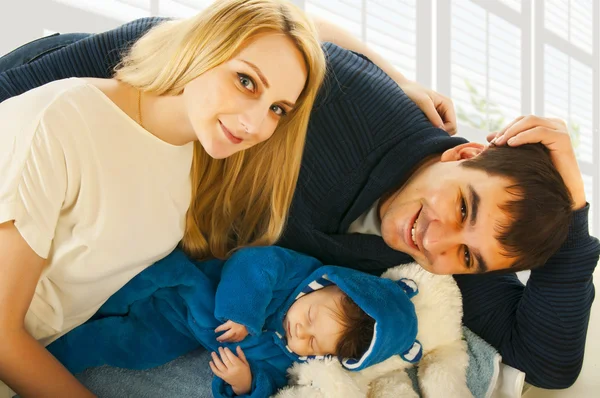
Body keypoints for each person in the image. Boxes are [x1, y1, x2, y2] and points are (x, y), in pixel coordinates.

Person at [0, 13, 597, 394]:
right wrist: (381, 71)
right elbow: (189, 49)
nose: (435, 241)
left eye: (466, 258)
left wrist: (573, 205)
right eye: (463, 208)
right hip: (60, 83)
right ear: (461, 156)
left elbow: (546, 361)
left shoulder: (440, 256)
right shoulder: (353, 105)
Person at [0, 1, 326, 396]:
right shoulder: (59, 122)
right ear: (202, 47)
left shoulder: (195, 155)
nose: (255, 124)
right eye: (245, 81)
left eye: (277, 109)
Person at [46, 246, 421, 398]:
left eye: (312, 344)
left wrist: (245, 383)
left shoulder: (288, 355)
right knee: (136, 282)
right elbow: (253, 262)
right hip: (194, 287)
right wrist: (245, 312)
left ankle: (53, 355)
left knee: (134, 350)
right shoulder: (294, 274)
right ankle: (86, 303)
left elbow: (272, 382)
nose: (300, 333)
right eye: (309, 318)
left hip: (181, 330)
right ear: (322, 285)